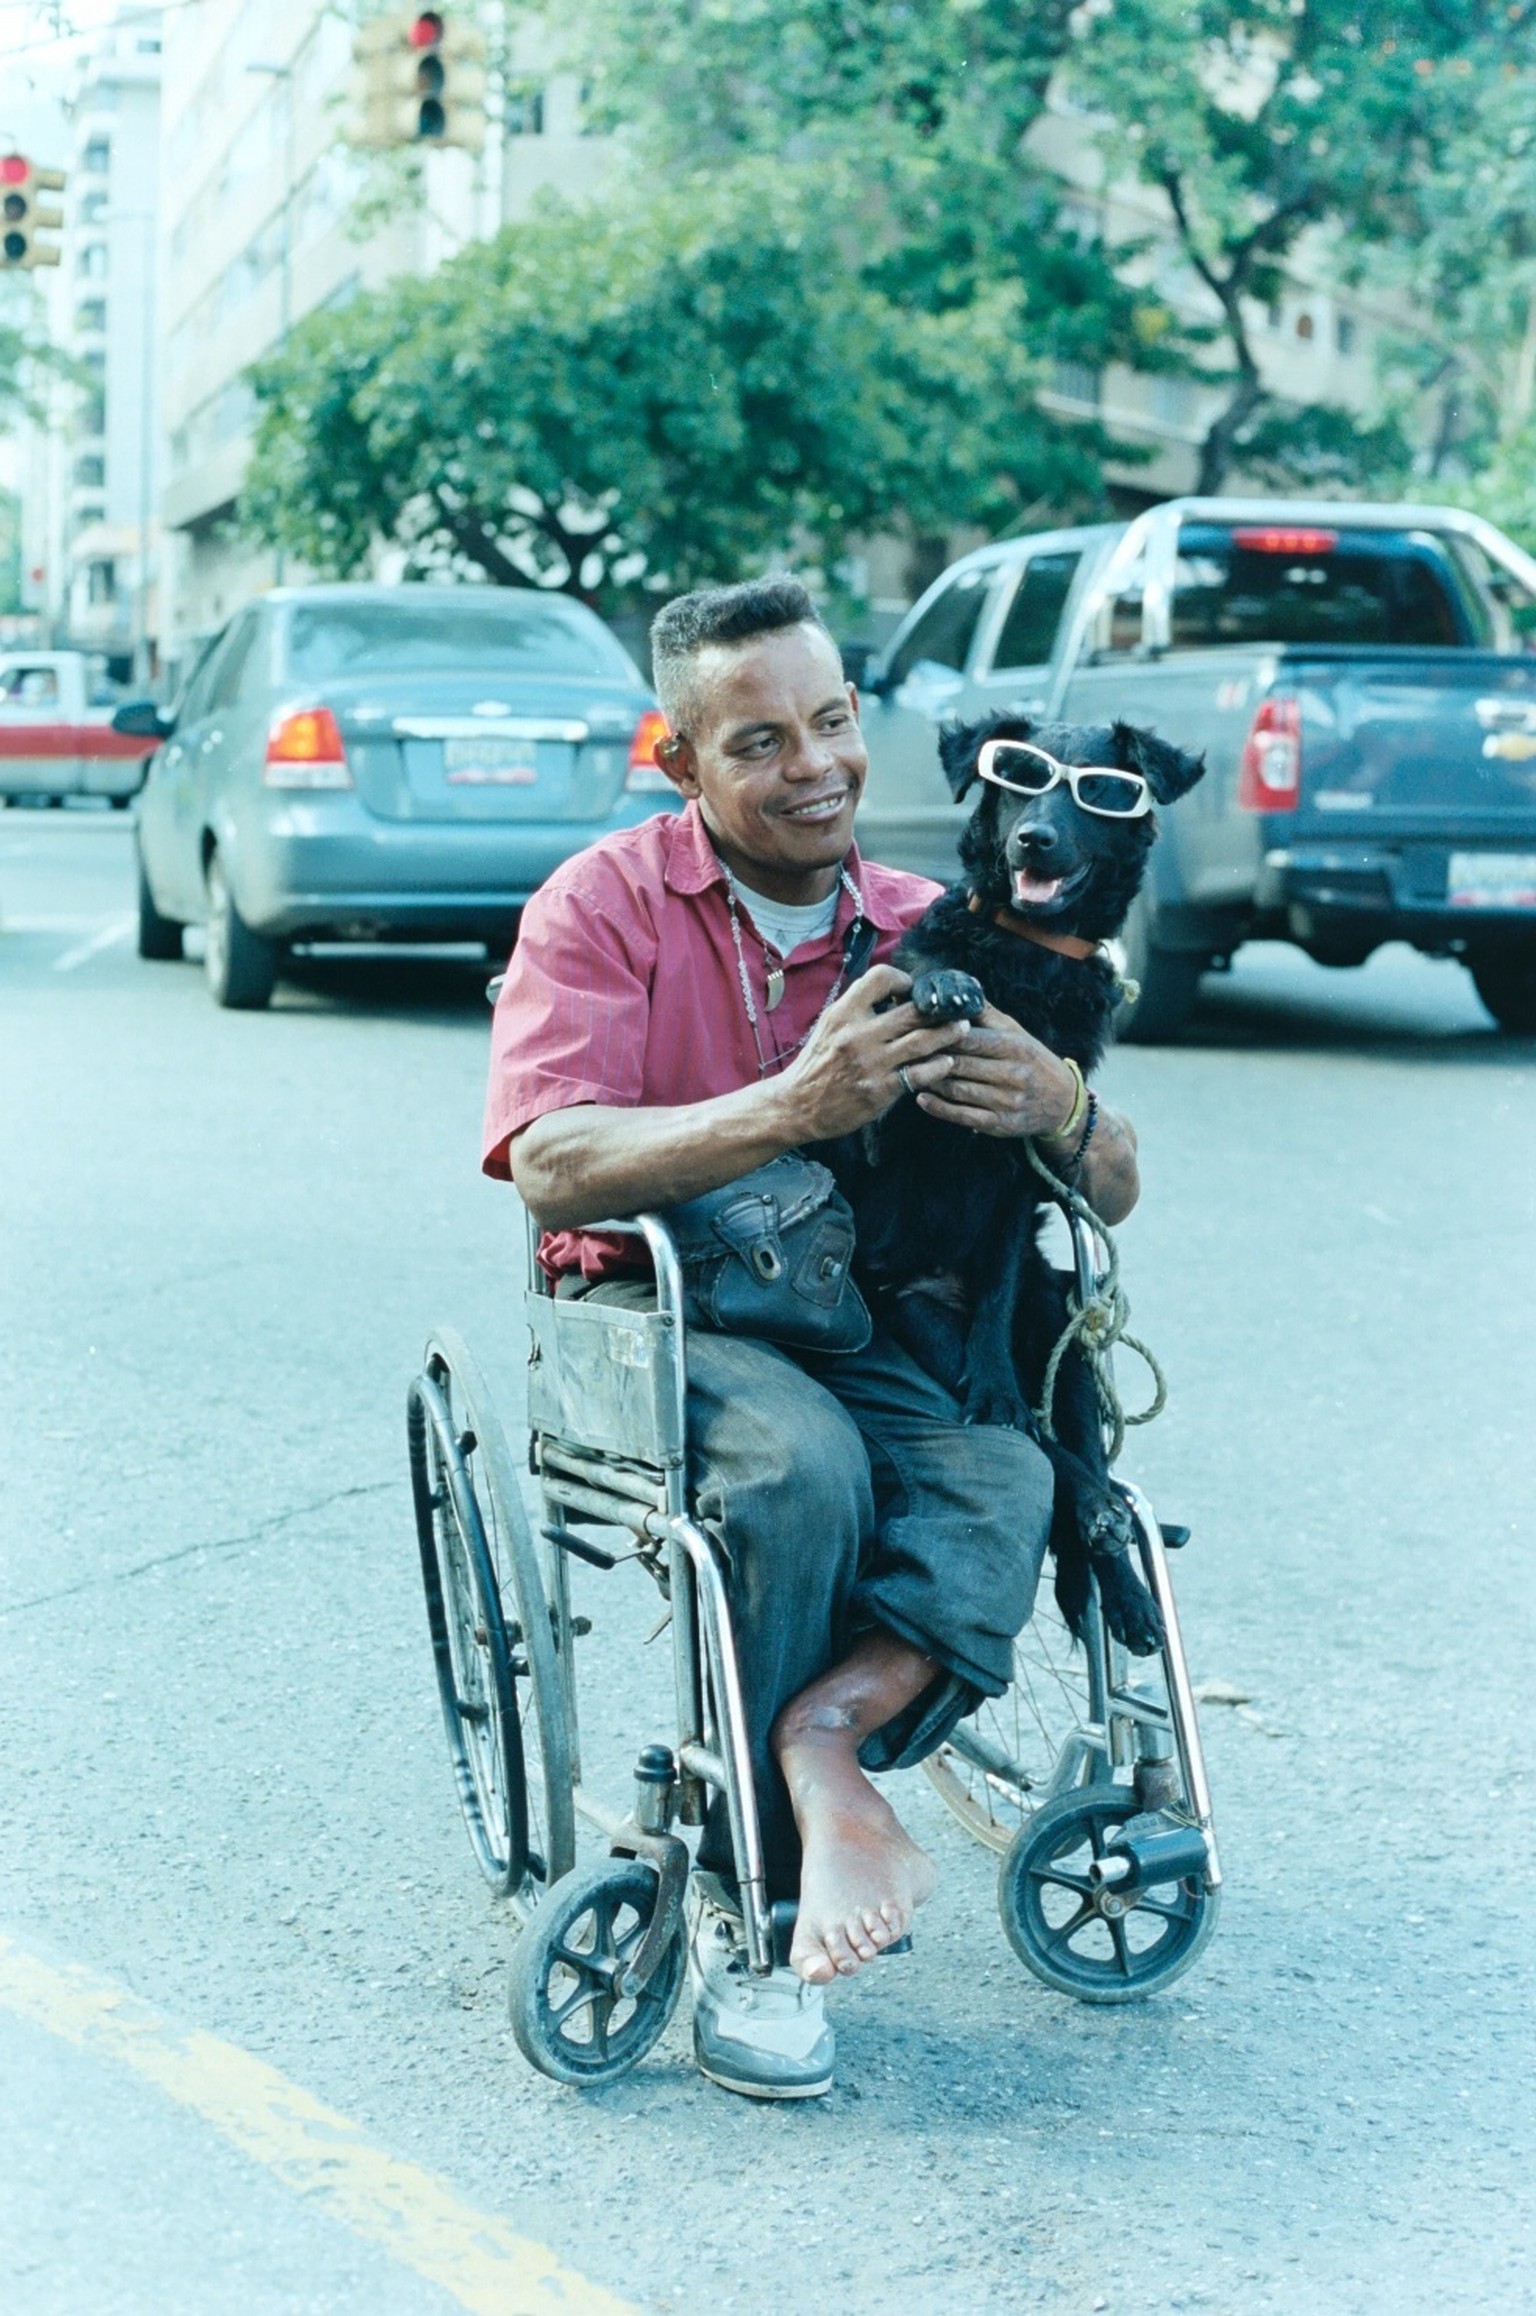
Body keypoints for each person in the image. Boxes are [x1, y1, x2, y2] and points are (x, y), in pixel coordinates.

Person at [483, 577, 1141, 2099]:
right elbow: (547, 1162)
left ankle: (824, 1740)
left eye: (834, 723)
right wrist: (794, 1108)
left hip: (862, 1314)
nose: (817, 767)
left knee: (1001, 1479)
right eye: (763, 740)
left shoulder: (939, 929)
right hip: (663, 1315)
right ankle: (754, 1906)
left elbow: (1114, 1185)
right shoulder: (603, 906)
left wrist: (1065, 1107)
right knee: (802, 1469)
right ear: (683, 762)